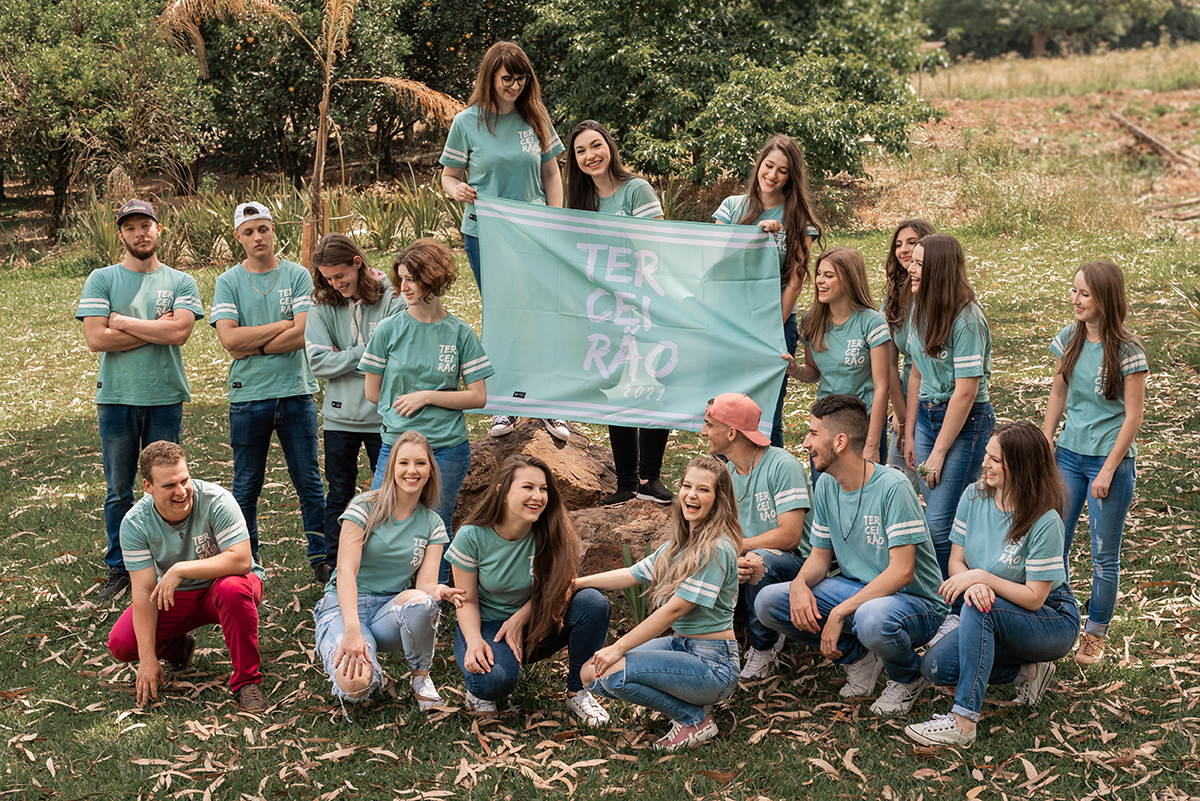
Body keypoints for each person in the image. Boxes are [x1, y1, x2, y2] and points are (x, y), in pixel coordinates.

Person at [756, 395, 947, 715]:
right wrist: (800, 584)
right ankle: (859, 658)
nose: (805, 443)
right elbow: (819, 558)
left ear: (840, 442)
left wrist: (839, 613)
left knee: (871, 618)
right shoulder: (826, 485)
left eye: (813, 434)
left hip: (915, 602)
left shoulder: (893, 487)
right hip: (859, 591)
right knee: (770, 601)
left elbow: (902, 572)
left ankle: (907, 677)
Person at [906, 422, 1080, 747]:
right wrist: (973, 582)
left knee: (979, 606)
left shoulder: (1045, 520)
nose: (984, 463)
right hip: (995, 612)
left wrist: (982, 579)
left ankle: (963, 723)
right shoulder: (974, 495)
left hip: (1050, 619)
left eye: (995, 459)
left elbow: (1034, 597)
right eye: (986, 454)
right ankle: (1029, 673)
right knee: (935, 667)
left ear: (1021, 467)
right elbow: (956, 561)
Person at [438, 40, 570, 442]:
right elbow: (448, 177)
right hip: (486, 234)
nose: (515, 86)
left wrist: (555, 220)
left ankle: (549, 405)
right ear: (490, 77)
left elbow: (551, 174)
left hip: (535, 234)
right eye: (507, 79)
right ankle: (506, 404)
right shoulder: (467, 122)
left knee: (542, 315)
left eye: (521, 78)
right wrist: (457, 190)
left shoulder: (536, 117)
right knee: (504, 316)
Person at [77, 199, 203, 601]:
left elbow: (179, 333)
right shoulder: (102, 278)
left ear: (158, 229)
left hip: (164, 396)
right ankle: (120, 567)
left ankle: (169, 562)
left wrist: (122, 322)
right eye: (130, 228)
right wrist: (154, 328)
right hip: (116, 399)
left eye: (145, 225)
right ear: (121, 234)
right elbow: (96, 338)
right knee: (119, 489)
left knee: (169, 485)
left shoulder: (180, 281)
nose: (139, 233)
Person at [578, 456, 741, 751]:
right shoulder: (677, 546)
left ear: (719, 500)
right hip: (681, 646)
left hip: (714, 663)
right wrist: (575, 584)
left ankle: (694, 720)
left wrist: (618, 647)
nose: (692, 495)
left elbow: (674, 610)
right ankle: (689, 702)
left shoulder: (717, 547)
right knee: (590, 673)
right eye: (687, 486)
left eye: (703, 490)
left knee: (613, 673)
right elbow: (630, 574)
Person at [360, 239, 495, 583]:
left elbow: (478, 397)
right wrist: (402, 413)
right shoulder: (389, 330)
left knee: (437, 521)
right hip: (396, 445)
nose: (403, 287)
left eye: (412, 279)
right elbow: (373, 393)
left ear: (433, 279)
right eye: (401, 279)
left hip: (447, 446)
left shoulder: (460, 333)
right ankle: (386, 587)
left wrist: (427, 397)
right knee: (382, 517)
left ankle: (435, 591)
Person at [447, 455, 611, 724]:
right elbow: (467, 601)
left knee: (593, 603)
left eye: (543, 489)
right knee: (492, 682)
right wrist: (474, 641)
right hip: (488, 626)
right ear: (502, 492)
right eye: (528, 487)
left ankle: (578, 692)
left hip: (536, 623)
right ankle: (479, 689)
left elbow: (559, 589)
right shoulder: (472, 536)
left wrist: (520, 618)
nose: (538, 496)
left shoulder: (551, 528)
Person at [211, 202, 326, 579]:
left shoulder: (298, 275)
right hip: (248, 397)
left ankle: (322, 557)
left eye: (263, 229)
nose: (257, 237)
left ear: (273, 230)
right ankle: (245, 559)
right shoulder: (229, 281)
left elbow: (303, 333)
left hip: (296, 392)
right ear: (238, 237)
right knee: (246, 485)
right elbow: (229, 340)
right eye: (249, 232)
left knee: (309, 481)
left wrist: (254, 344)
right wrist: (281, 325)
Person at [106, 441, 267, 711]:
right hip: (178, 594)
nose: (181, 491)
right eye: (169, 485)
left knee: (232, 589)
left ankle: (247, 681)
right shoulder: (135, 523)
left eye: (184, 480)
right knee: (122, 643)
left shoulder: (216, 500)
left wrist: (180, 569)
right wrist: (147, 658)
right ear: (148, 486)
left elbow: (241, 560)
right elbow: (144, 591)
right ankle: (178, 648)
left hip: (226, 584)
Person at [313, 431, 464, 713]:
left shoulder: (433, 523)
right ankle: (367, 664)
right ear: (391, 467)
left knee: (423, 602)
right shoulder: (364, 507)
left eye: (420, 463)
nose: (411, 470)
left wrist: (439, 590)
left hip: (389, 610)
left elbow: (425, 586)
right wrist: (352, 630)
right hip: (344, 607)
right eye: (403, 463)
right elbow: (345, 572)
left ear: (430, 471)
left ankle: (421, 679)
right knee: (355, 686)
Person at [1042, 260, 1146, 666]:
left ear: (1105, 298)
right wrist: (1046, 441)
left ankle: (1095, 633)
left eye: (1084, 293)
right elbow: (1057, 395)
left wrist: (1107, 470)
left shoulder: (1128, 351)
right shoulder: (1069, 339)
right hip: (1068, 455)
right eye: (1074, 291)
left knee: (1104, 554)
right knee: (1056, 542)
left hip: (1109, 460)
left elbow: (1133, 417)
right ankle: (1061, 616)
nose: (1076, 299)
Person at [565, 119, 672, 505]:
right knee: (617, 386)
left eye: (596, 145)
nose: (590, 155)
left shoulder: (636, 189)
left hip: (646, 301)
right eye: (580, 151)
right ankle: (626, 483)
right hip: (603, 307)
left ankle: (650, 477)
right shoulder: (579, 202)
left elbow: (656, 242)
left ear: (609, 146)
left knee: (652, 380)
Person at [902, 233, 995, 646]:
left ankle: (952, 612)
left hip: (965, 422)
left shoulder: (968, 319)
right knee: (936, 520)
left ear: (939, 269)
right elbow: (916, 372)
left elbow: (966, 390)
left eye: (920, 263)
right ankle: (942, 603)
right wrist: (909, 430)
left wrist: (938, 451)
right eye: (912, 261)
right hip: (926, 416)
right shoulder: (920, 307)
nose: (910, 267)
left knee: (939, 525)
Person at [306, 233, 406, 581]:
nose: (335, 284)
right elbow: (317, 363)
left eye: (340, 275)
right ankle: (335, 562)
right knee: (339, 494)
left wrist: (343, 355)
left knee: (391, 493)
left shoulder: (392, 297)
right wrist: (370, 353)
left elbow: (397, 356)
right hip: (339, 418)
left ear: (357, 263)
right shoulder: (321, 306)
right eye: (328, 278)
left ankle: (390, 561)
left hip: (384, 418)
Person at [713, 134, 823, 448]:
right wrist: (754, 237)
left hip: (776, 323)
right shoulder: (732, 207)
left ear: (791, 177)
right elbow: (718, 263)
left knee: (767, 412)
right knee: (727, 407)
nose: (772, 175)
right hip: (731, 321)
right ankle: (727, 472)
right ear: (759, 163)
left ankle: (772, 473)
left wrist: (771, 325)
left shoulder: (797, 218)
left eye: (782, 171)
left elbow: (796, 280)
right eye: (769, 165)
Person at [700, 394, 812, 680]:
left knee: (755, 561)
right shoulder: (728, 474)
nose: (703, 432)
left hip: (799, 565)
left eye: (709, 425)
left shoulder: (782, 466)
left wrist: (739, 548)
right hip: (751, 558)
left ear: (731, 432)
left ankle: (765, 649)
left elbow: (791, 536)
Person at [786, 246, 891, 464]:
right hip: (825, 421)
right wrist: (795, 370)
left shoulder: (873, 323)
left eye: (829, 275)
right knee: (824, 484)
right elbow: (814, 372)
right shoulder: (810, 321)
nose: (819, 281)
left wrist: (872, 444)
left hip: (861, 422)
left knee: (863, 486)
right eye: (819, 274)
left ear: (849, 280)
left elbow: (882, 388)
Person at [881, 219, 936, 488]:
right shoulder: (893, 299)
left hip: (939, 400)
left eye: (912, 243)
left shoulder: (946, 297)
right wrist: (902, 419)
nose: (903, 250)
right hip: (906, 398)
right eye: (898, 244)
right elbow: (889, 365)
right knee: (898, 484)